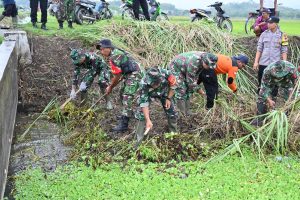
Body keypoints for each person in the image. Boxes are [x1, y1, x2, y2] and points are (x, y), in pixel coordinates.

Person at [97, 39, 144, 132]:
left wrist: (110, 87)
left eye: (102, 49)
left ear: (108, 48)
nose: (101, 52)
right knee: (122, 92)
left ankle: (124, 124)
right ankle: (126, 113)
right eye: (100, 50)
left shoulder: (114, 56)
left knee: (127, 96)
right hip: (129, 72)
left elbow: (117, 76)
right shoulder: (115, 52)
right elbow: (120, 70)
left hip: (135, 73)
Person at [167, 51, 218, 116]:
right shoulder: (194, 63)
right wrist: (200, 91)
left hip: (185, 68)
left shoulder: (207, 58)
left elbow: (195, 76)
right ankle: (181, 113)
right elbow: (190, 81)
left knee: (189, 90)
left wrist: (195, 87)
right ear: (204, 61)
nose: (209, 68)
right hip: (176, 68)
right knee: (181, 90)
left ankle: (188, 111)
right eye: (208, 66)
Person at [135, 67, 177, 143]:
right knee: (140, 113)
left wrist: (168, 98)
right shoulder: (143, 84)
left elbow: (173, 86)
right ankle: (140, 139)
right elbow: (144, 103)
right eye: (152, 84)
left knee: (171, 110)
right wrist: (148, 120)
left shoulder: (167, 74)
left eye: (155, 83)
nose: (154, 85)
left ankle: (173, 134)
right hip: (150, 94)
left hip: (165, 92)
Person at [251, 60, 299, 126]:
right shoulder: (267, 71)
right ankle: (260, 119)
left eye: (280, 75)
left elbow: (297, 83)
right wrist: (269, 100)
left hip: (286, 82)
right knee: (261, 97)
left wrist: (293, 95)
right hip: (271, 82)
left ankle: (287, 118)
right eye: (277, 75)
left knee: (292, 99)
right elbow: (263, 89)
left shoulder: (291, 69)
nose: (279, 76)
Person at [253, 16, 288, 95]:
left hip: (275, 64)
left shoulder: (283, 35)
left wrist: (285, 63)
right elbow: (259, 49)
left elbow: (284, 51)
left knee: (275, 85)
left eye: (271, 23)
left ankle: (272, 103)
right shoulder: (263, 34)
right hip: (263, 63)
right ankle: (261, 102)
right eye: (268, 22)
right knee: (261, 84)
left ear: (276, 24)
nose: (268, 24)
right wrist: (256, 62)